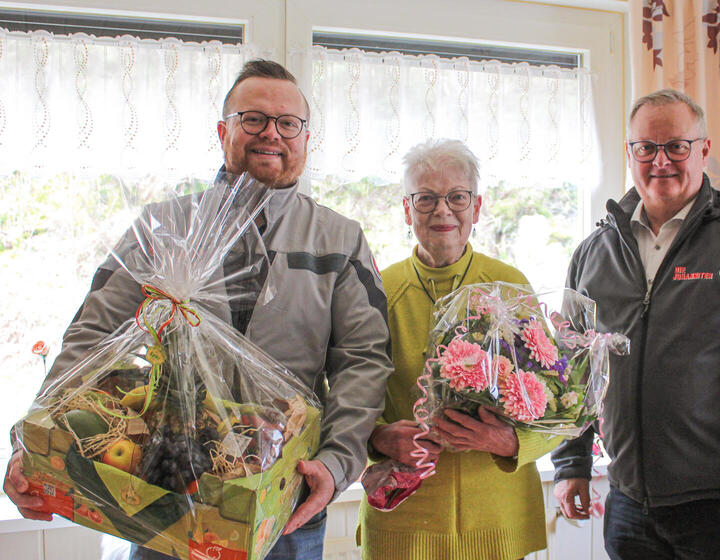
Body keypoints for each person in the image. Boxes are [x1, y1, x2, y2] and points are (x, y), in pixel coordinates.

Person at [3, 59, 393, 560]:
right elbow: (91, 340)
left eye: (287, 123)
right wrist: (30, 446)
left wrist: (337, 464)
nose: (271, 133)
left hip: (285, 506)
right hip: (163, 491)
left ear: (305, 138)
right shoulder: (162, 228)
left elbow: (363, 361)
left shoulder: (340, 240)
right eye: (253, 118)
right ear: (222, 130)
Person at [551, 89, 720, 559]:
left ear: (703, 150)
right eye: (646, 148)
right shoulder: (593, 253)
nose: (661, 161)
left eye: (677, 146)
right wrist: (571, 460)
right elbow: (573, 366)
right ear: (629, 152)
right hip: (628, 504)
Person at [357, 138, 563, 560]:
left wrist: (510, 441)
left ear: (478, 206)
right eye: (426, 198)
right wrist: (377, 436)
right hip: (403, 519)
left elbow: (558, 403)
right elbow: (342, 392)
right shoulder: (379, 289)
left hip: (497, 518)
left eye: (457, 197)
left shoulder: (508, 286)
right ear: (406, 208)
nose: (443, 210)